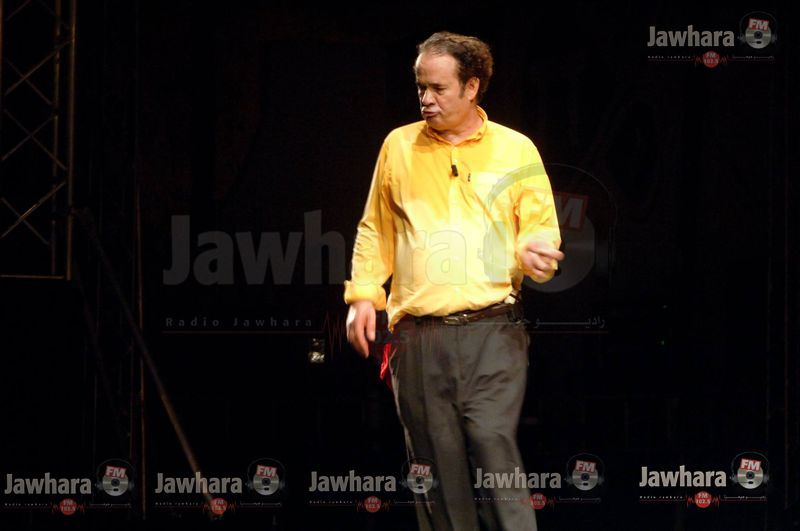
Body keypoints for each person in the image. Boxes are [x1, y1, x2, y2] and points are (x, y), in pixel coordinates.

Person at [344, 31, 564, 531]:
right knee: (436, 467)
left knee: (491, 443)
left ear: (472, 86)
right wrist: (363, 296)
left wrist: (537, 254)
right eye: (420, 86)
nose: (426, 98)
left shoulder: (515, 149)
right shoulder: (398, 145)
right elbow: (376, 228)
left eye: (438, 88)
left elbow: (540, 229)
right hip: (418, 336)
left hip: (493, 330)